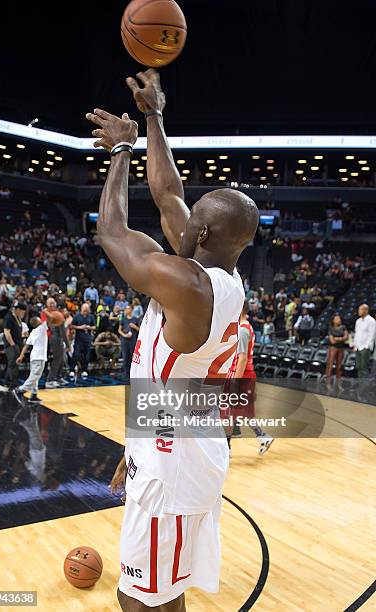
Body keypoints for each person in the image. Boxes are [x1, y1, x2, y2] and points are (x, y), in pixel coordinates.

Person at [87, 67, 259, 611]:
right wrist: (154, 115)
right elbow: (167, 196)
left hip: (175, 465)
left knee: (137, 600)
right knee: (158, 595)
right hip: (172, 448)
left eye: (193, 218)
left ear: (202, 235)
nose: (179, 218)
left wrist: (121, 151)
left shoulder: (188, 287)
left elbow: (111, 233)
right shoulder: (215, 274)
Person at [224, 300, 274, 456]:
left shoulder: (243, 330)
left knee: (230, 411)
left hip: (242, 375)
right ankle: (261, 436)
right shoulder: (243, 327)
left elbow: (243, 358)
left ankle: (228, 446)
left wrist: (235, 380)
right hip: (241, 373)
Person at [14, 312, 53, 403]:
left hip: (33, 356)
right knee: (35, 376)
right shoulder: (41, 328)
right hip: (39, 356)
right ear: (38, 322)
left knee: (35, 377)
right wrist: (45, 311)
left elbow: (26, 346)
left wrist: (21, 356)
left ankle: (34, 395)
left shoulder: (33, 332)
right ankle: (20, 390)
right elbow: (50, 317)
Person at [44, 298, 70, 389]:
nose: (52, 305)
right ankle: (50, 380)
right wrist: (68, 345)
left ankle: (58, 377)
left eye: (53, 303)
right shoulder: (56, 315)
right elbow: (63, 332)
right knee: (57, 359)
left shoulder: (52, 314)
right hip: (55, 338)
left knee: (61, 359)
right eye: (50, 303)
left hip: (55, 338)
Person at [3, 301, 27, 389]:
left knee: (12, 364)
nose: (23, 314)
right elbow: (7, 332)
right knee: (13, 364)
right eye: (22, 312)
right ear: (17, 310)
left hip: (18, 343)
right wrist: (13, 345)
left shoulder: (18, 319)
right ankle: (13, 383)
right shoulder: (9, 318)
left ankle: (7, 381)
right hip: (12, 345)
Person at [71, 303, 96, 378]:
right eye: (84, 310)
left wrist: (89, 327)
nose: (85, 311)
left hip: (87, 339)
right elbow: (72, 326)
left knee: (86, 355)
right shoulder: (77, 316)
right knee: (76, 354)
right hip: (79, 339)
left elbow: (94, 327)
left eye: (87, 310)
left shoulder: (91, 317)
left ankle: (84, 370)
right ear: (81, 309)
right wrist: (80, 327)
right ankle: (72, 369)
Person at [326, 314, 348, 391]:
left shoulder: (343, 327)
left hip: (341, 348)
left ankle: (339, 385)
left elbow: (346, 337)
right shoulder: (331, 329)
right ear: (333, 320)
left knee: (339, 367)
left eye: (339, 318)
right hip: (333, 348)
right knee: (330, 366)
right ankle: (328, 384)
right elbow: (332, 340)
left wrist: (337, 338)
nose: (339, 319)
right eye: (337, 318)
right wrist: (341, 338)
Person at [118, 305, 140, 381]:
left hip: (133, 340)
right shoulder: (123, 319)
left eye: (128, 309)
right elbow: (119, 330)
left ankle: (133, 373)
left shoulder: (135, 319)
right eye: (126, 309)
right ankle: (126, 374)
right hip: (125, 340)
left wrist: (134, 327)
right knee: (125, 357)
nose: (127, 310)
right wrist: (124, 335)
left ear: (131, 310)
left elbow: (140, 330)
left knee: (132, 357)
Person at [354, 304, 376, 378]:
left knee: (364, 368)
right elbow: (356, 334)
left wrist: (366, 346)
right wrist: (355, 345)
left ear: (366, 310)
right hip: (358, 347)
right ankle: (360, 385)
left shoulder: (371, 321)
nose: (358, 311)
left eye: (360, 310)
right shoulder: (358, 321)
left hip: (365, 347)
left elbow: (372, 335)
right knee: (358, 367)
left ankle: (365, 387)